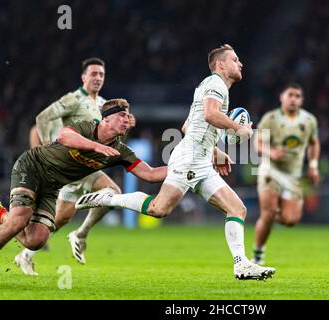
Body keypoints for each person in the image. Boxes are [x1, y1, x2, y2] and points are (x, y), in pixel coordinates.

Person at [74, 44, 276, 280]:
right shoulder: (216, 84)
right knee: (159, 209)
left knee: (237, 209)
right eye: (235, 59)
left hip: (199, 159)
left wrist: (214, 151)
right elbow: (211, 115)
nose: (240, 63)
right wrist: (238, 128)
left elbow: (188, 126)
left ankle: (241, 265)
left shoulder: (208, 86)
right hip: (190, 158)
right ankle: (109, 198)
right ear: (221, 65)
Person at [0, 99, 167, 262]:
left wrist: (184, 169)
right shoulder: (87, 128)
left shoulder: (121, 151)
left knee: (35, 240)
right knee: (20, 221)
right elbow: (64, 137)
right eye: (122, 115)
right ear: (105, 119)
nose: (127, 120)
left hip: (52, 187)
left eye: (128, 116)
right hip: (32, 167)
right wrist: (97, 146)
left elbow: (151, 174)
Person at [13, 58, 135, 275]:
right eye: (94, 74)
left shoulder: (104, 105)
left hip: (85, 167)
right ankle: (76, 235)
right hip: (69, 163)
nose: (98, 78)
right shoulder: (74, 99)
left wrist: (126, 125)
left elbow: (112, 137)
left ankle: (29, 253)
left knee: (64, 216)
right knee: (107, 195)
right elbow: (43, 117)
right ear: (83, 77)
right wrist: (46, 145)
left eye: (101, 75)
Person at [252, 83, 320, 265]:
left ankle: (270, 213)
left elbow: (314, 143)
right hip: (271, 171)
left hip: (293, 175)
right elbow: (257, 143)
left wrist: (313, 165)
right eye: (290, 95)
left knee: (291, 220)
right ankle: (257, 255)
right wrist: (271, 152)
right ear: (281, 97)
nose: (293, 99)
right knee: (267, 214)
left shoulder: (309, 120)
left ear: (302, 100)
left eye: (297, 96)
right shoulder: (271, 118)